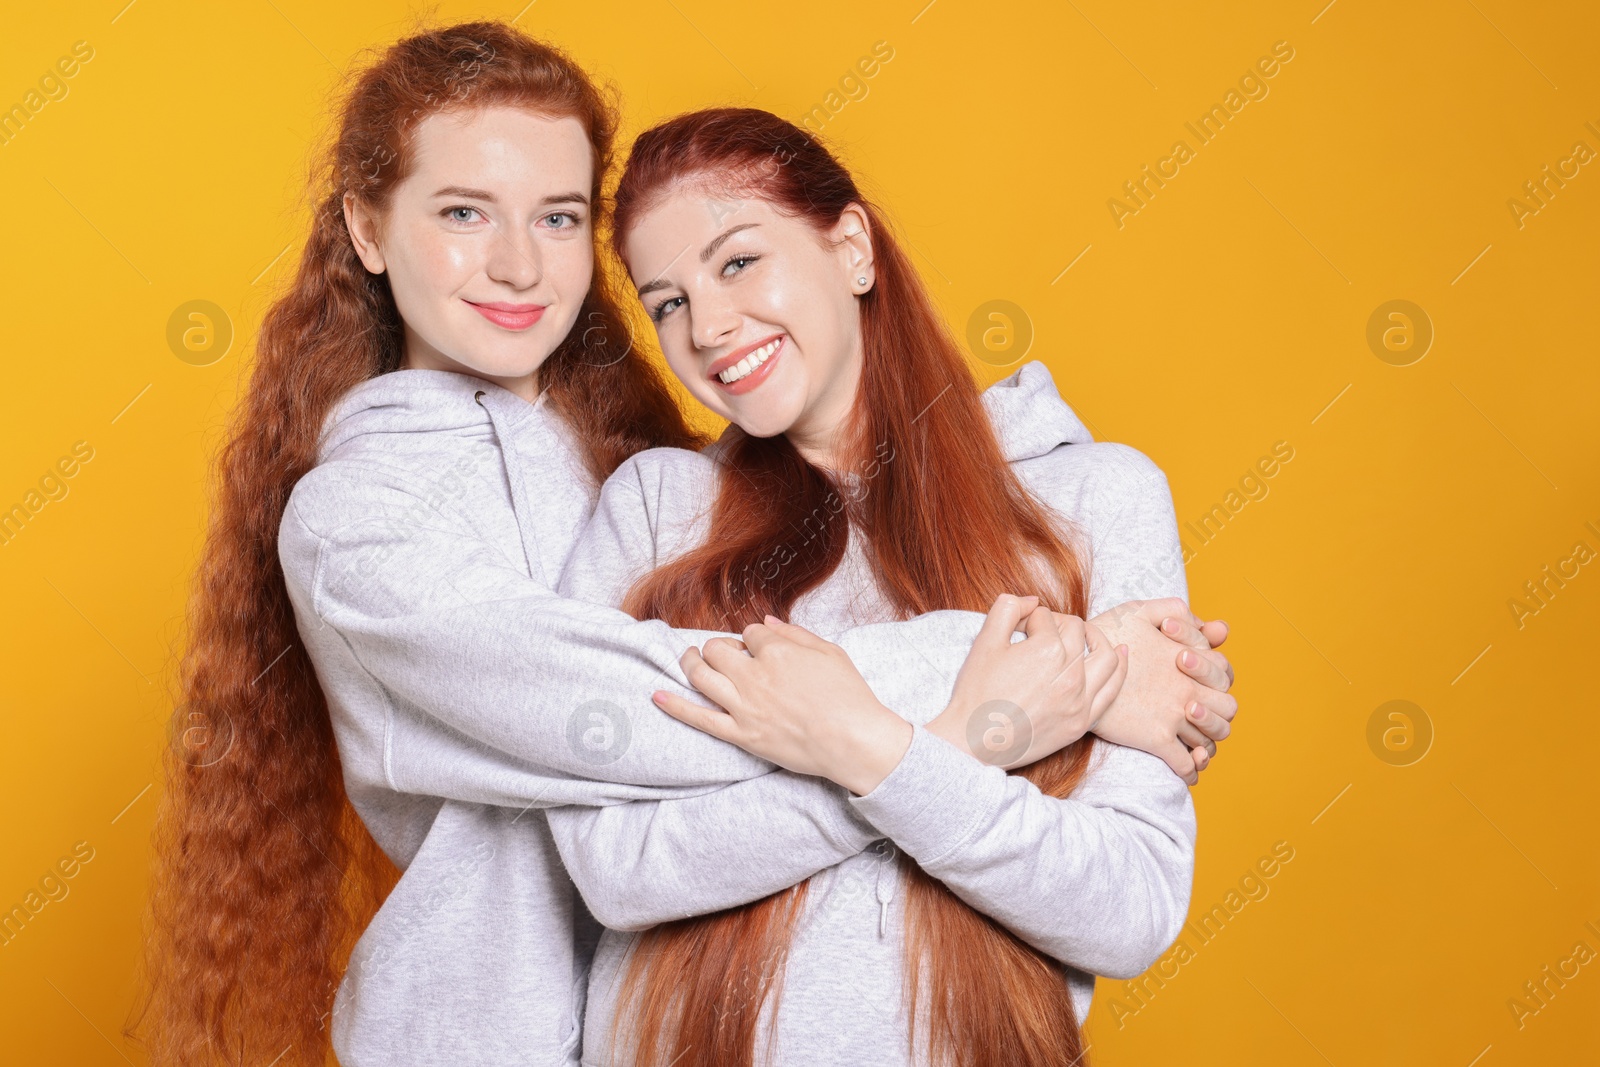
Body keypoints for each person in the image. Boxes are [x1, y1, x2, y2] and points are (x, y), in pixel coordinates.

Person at [131, 22, 1233, 1067]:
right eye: (464, 212)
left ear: (851, 242)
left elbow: (1127, 903)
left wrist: (895, 740)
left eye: (559, 218)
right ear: (367, 228)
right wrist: (1019, 694)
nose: (520, 264)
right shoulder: (393, 523)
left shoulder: (616, 466)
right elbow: (621, 806)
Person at [545, 107, 1236, 1067]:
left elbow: (1129, 907)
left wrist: (862, 745)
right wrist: (967, 734)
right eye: (666, 302)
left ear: (854, 247)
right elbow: (615, 870)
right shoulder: (656, 511)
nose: (707, 327)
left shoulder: (1090, 498)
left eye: (738, 263)